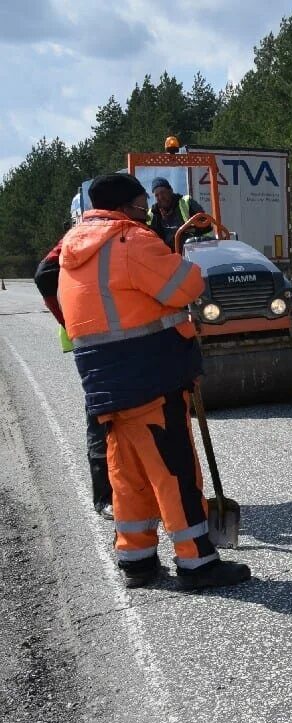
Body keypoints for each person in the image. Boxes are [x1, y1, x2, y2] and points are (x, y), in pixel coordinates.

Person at [57, 173, 251, 589]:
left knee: (127, 476)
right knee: (174, 473)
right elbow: (186, 286)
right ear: (129, 205)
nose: (147, 209)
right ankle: (197, 562)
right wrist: (184, 263)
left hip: (104, 385)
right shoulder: (130, 242)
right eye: (142, 202)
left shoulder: (73, 251)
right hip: (149, 378)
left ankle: (137, 560)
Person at [33, 227, 113, 520]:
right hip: (97, 343)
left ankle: (127, 493)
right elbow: (44, 275)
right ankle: (105, 496)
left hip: (112, 341)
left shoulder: (122, 231)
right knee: (101, 416)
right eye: (140, 206)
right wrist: (70, 320)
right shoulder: (88, 235)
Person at [147, 177, 210, 252]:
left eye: (163, 192)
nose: (160, 197)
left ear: (170, 191)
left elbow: (207, 226)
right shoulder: (153, 213)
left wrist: (190, 230)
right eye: (157, 195)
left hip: (194, 251)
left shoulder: (186, 202)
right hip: (167, 256)